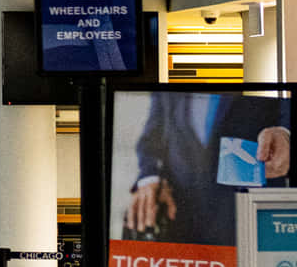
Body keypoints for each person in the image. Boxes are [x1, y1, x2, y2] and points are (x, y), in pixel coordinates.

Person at [124, 93, 290, 244]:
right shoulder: (170, 72)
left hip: (252, 220)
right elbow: (151, 138)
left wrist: (287, 133)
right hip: (184, 220)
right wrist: (150, 177)